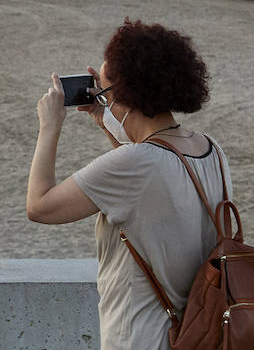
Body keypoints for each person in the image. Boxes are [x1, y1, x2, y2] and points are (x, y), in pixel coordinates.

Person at [26, 19, 229, 350]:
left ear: (124, 94)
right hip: (200, 333)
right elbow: (143, 187)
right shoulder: (211, 149)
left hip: (140, 337)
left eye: (104, 91)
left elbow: (39, 206)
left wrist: (49, 126)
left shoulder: (135, 165)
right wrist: (105, 121)